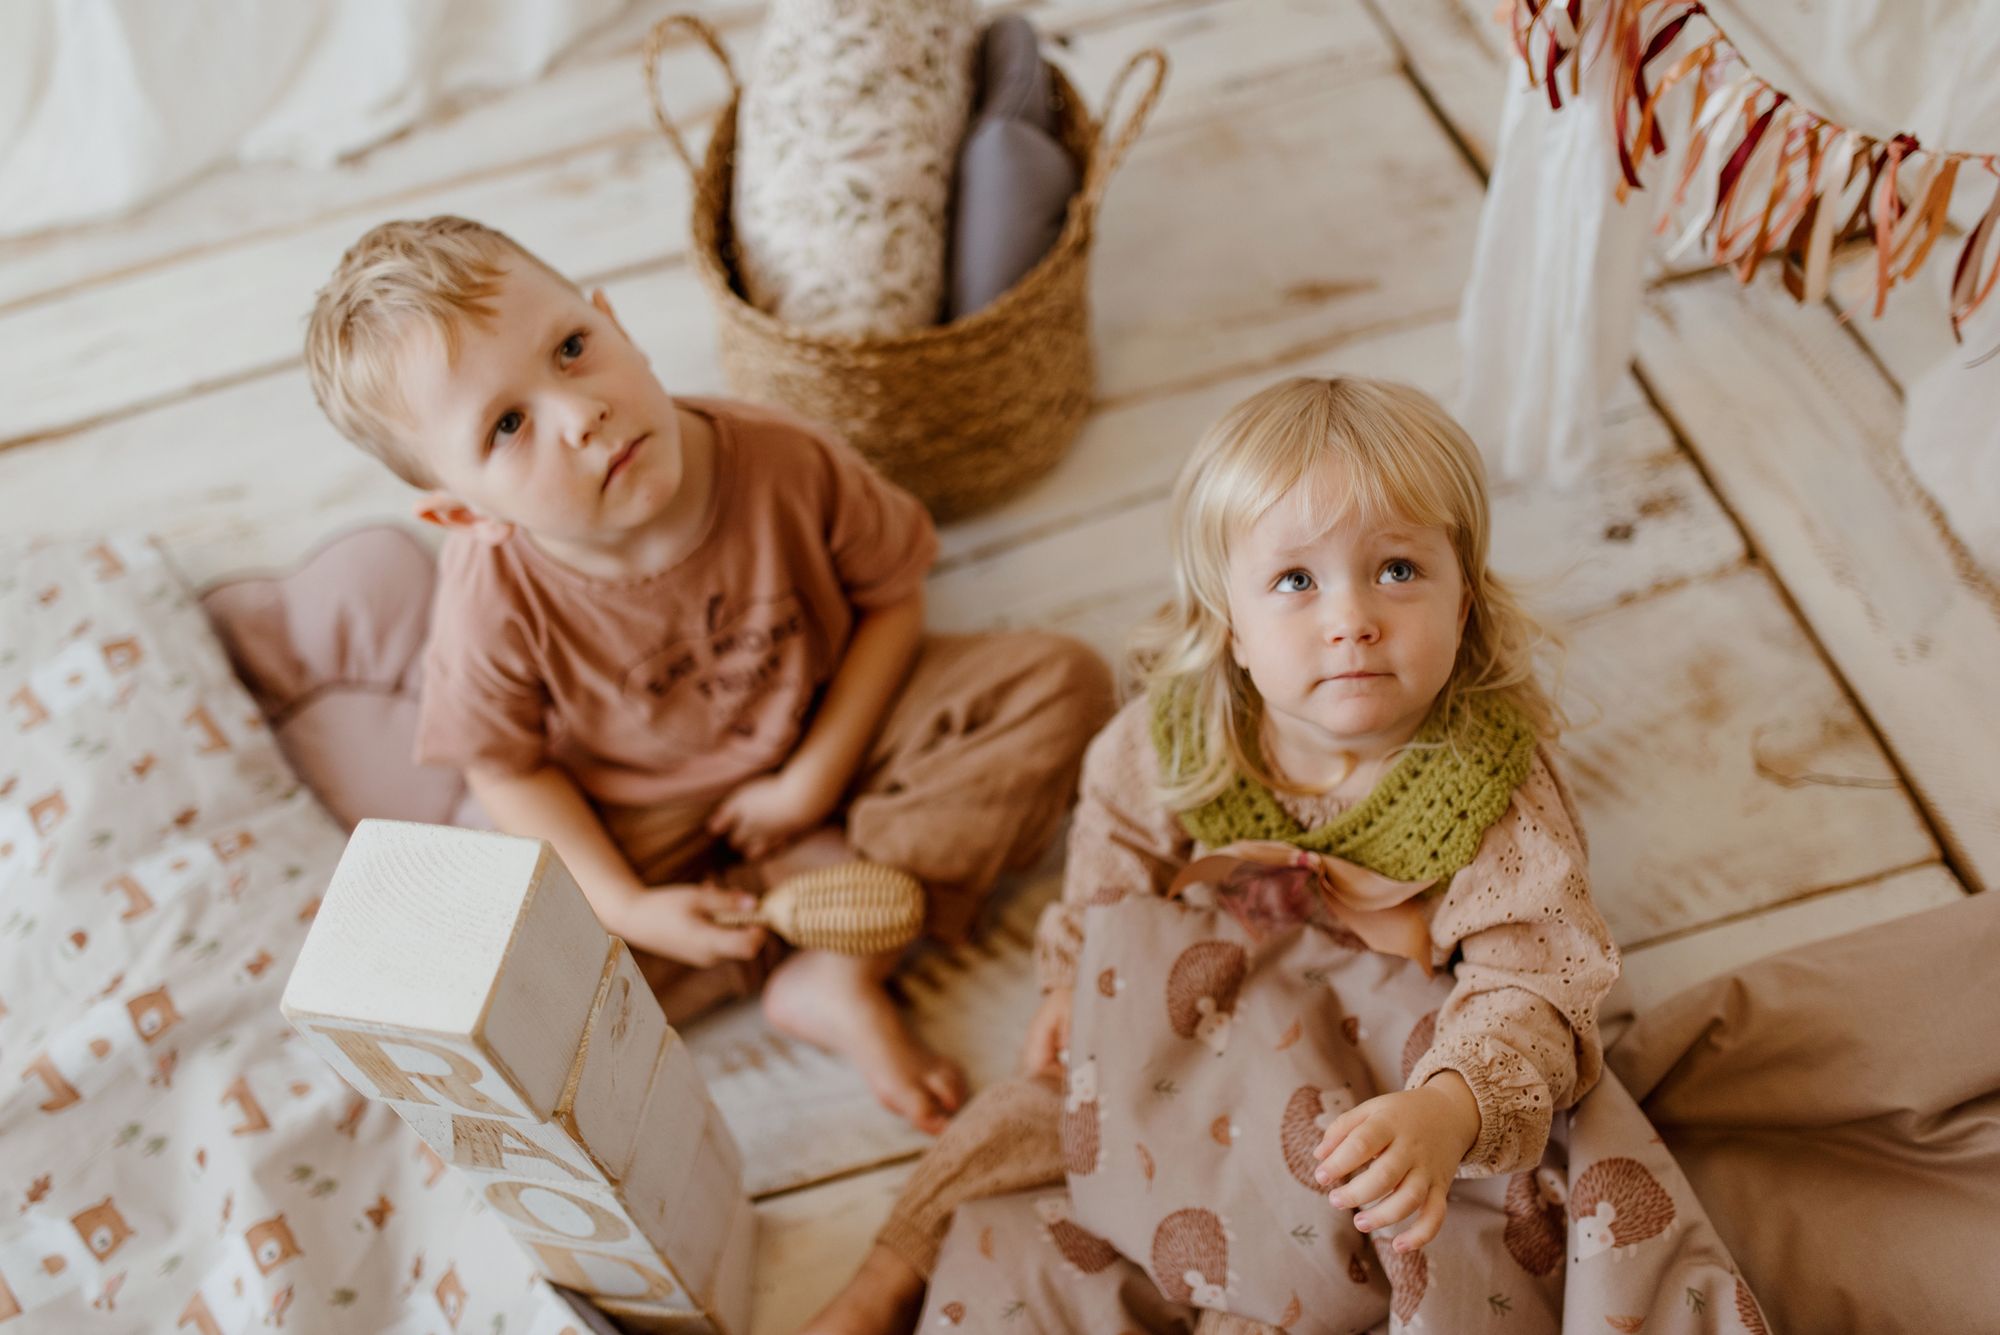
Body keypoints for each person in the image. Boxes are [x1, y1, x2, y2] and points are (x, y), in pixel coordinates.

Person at [802, 375, 1623, 1331]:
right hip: (1193, 1034)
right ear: (1232, 628)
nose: (1352, 617)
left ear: (1465, 601)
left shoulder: (1491, 785)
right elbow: (1111, 856)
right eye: (1296, 581)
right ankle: (876, 1289)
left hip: (1373, 1078)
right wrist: (1076, 979)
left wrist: (1446, 1111)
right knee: (1019, 1120)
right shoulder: (1179, 738)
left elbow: (1536, 983)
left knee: (1436, 1233)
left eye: (1398, 569)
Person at [302, 215, 1113, 1134]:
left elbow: (892, 599)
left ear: (615, 322)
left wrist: (810, 780)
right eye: (508, 425)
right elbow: (506, 767)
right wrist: (632, 907)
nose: (579, 412)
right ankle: (785, 908)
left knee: (1063, 686)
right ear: (462, 513)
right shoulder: (493, 594)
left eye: (571, 347)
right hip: (659, 819)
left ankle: (838, 964)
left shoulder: (781, 457)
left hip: (841, 724)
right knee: (532, 991)